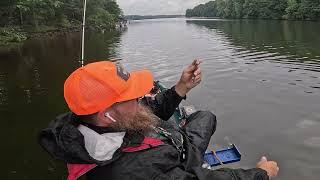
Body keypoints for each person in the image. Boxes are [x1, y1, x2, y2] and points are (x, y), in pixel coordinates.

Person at [39, 60, 279, 180]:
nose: (140, 98)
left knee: (205, 117)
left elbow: (147, 108)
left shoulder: (83, 122)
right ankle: (193, 159)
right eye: (133, 97)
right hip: (178, 159)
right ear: (107, 114)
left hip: (165, 142)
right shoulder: (141, 170)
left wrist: (181, 87)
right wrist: (260, 174)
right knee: (206, 119)